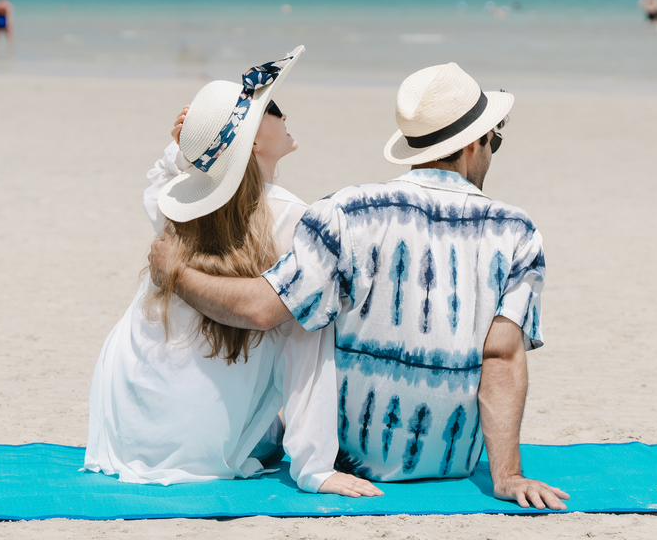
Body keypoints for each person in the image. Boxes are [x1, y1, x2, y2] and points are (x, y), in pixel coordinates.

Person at [149, 62, 570, 510]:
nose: (492, 151)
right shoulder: (518, 231)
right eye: (494, 139)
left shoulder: (347, 211)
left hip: (349, 457)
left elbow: (262, 310)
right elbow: (501, 357)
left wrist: (176, 274)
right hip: (451, 461)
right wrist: (507, 475)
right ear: (472, 145)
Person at [84, 46, 381, 498]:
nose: (286, 115)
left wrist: (189, 149)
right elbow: (308, 346)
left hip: (122, 419)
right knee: (313, 313)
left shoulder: (178, 206)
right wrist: (314, 465)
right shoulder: (294, 219)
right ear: (255, 143)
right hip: (200, 436)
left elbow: (162, 180)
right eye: (274, 110)